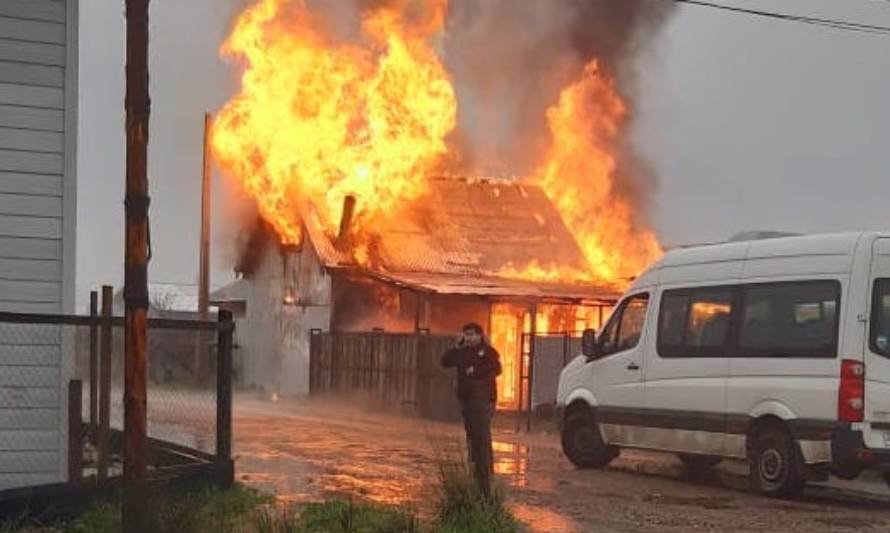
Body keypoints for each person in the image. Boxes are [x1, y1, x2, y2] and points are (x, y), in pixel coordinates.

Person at [441, 322, 502, 497]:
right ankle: (474, 468)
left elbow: (497, 369)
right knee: (472, 437)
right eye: (466, 334)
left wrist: (476, 370)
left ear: (480, 335)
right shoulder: (461, 352)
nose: (469, 338)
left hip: (484, 402)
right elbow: (445, 361)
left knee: (482, 436)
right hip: (466, 401)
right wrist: (456, 346)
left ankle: (485, 475)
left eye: (472, 334)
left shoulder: (488, 352)